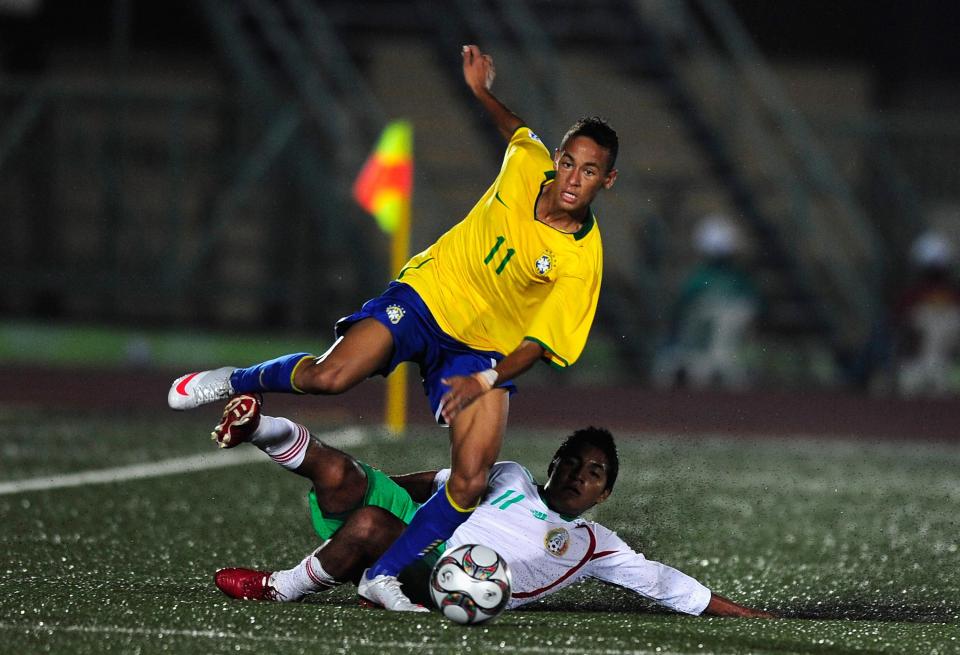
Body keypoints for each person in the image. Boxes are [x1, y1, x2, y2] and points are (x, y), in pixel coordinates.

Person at [166, 45, 617, 611]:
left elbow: (537, 345)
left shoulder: (581, 261)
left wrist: (483, 381)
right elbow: (517, 129)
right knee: (330, 377)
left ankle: (383, 573)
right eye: (571, 163)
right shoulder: (528, 163)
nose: (575, 178)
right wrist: (480, 92)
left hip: (480, 351)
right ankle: (237, 379)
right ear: (558, 158)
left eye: (591, 171)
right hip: (427, 297)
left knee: (471, 480)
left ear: (608, 180)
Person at [209, 394, 774, 618]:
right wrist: (367, 480)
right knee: (342, 477)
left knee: (367, 522)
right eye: (573, 462)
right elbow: (428, 482)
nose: (580, 474)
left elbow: (669, 585)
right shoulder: (509, 476)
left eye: (595, 473)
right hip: (422, 544)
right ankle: (258, 423)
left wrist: (751, 617)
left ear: (605, 494)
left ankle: (281, 587)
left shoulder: (594, 546)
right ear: (553, 465)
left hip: (451, 585)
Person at [653, 214, 761, 390]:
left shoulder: (701, 278)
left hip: (706, 349)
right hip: (717, 348)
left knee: (702, 363)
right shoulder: (737, 279)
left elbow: (681, 308)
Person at [893, 230, 960, 396]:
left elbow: (897, 325)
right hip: (948, 372)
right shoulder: (955, 296)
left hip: (918, 372)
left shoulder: (913, 296)